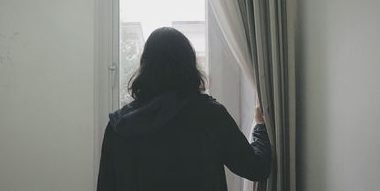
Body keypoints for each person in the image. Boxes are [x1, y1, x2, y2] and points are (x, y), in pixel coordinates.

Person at [97, 27, 271, 191]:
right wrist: (261, 126)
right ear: (189, 65)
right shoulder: (210, 116)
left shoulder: (119, 125)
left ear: (145, 66)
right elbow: (256, 168)